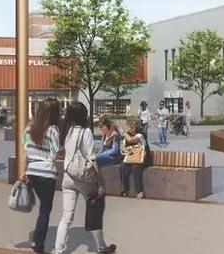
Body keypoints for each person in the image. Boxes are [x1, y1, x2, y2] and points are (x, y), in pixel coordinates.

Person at [52, 103, 117, 254]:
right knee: (95, 209)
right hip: (84, 178)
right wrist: (100, 182)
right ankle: (101, 247)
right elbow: (92, 158)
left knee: (66, 216)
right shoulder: (86, 132)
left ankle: (58, 249)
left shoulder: (66, 131)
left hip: (68, 177)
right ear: (83, 115)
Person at [24, 98, 62, 253]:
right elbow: (54, 154)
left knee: (42, 208)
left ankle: (37, 240)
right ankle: (38, 244)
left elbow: (25, 149)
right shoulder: (53, 130)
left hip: (32, 171)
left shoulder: (29, 128)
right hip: (47, 173)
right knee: (45, 210)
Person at [120, 121, 147, 199]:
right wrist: (124, 151)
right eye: (129, 127)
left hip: (141, 159)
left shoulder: (140, 135)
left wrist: (124, 133)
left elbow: (131, 140)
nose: (130, 129)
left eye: (132, 127)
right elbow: (124, 149)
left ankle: (140, 191)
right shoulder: (126, 138)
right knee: (123, 167)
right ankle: (125, 189)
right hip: (130, 158)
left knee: (136, 168)